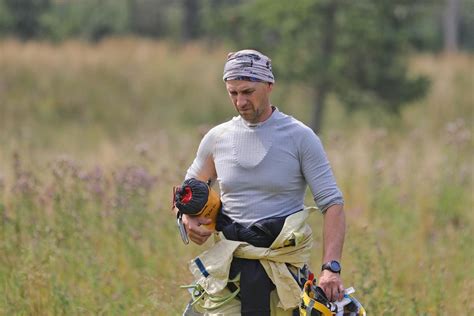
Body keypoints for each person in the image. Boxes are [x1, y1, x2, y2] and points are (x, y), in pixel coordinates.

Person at [176, 49, 346, 316]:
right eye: (233, 93)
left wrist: (330, 269)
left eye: (247, 92)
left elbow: (332, 204)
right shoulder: (217, 138)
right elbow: (187, 194)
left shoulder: (300, 137)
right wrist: (187, 220)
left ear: (269, 86)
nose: (240, 101)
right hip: (228, 273)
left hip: (283, 277)